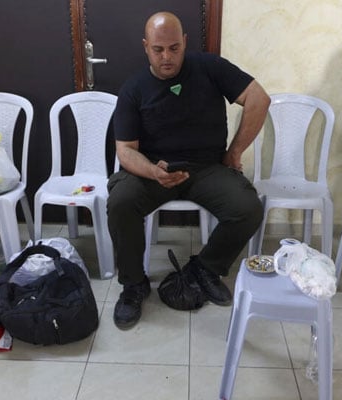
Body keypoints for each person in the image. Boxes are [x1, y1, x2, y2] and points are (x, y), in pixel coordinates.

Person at [107, 11, 270, 330]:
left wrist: (234, 151)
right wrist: (154, 172)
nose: (166, 57)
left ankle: (205, 269)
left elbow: (259, 98)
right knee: (121, 202)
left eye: (173, 48)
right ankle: (133, 284)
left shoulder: (210, 68)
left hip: (207, 168)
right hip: (155, 171)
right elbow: (125, 150)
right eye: (158, 49)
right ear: (145, 47)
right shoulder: (133, 89)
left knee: (248, 208)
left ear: (185, 42)